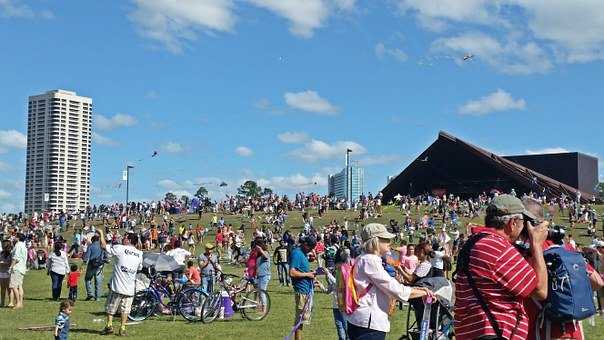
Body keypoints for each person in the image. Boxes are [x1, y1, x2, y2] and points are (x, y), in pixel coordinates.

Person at [454, 194, 548, 340]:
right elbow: (540, 290)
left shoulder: (474, 243)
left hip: (472, 331)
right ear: (512, 223)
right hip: (495, 332)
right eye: (523, 221)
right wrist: (536, 245)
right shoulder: (498, 247)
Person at [347, 223, 434, 340]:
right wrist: (424, 292)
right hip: (368, 322)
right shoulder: (370, 260)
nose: (389, 242)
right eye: (386, 239)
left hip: (361, 319)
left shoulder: (363, 258)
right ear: (376, 241)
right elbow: (396, 290)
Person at [98, 230, 143, 336]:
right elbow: (139, 267)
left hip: (117, 285)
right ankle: (122, 328)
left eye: (125, 237)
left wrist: (101, 233)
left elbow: (104, 246)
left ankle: (109, 326)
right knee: (125, 309)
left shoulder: (120, 248)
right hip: (130, 287)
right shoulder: (140, 254)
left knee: (111, 307)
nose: (123, 238)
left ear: (129, 240)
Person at [288, 236, 317, 340]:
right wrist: (307, 275)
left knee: (303, 319)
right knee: (299, 320)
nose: (311, 250)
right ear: (305, 244)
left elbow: (302, 267)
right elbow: (292, 272)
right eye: (310, 248)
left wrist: (310, 273)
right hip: (301, 291)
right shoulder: (297, 253)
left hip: (306, 290)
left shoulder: (303, 253)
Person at [82, 234, 104, 301]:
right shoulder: (101, 246)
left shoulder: (90, 246)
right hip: (99, 264)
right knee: (98, 281)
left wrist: (84, 262)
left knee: (88, 279)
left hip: (91, 264)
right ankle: (98, 297)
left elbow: (86, 257)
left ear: (92, 240)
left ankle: (90, 294)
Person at [9, 233, 27, 309]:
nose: (14, 238)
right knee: (19, 286)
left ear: (18, 238)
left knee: (13, 286)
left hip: (17, 268)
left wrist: (11, 267)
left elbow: (16, 258)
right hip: (22, 268)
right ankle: (21, 303)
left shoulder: (18, 245)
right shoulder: (24, 246)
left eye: (15, 237)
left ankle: (18, 303)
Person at [255, 237, 271, 309]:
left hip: (265, 275)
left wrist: (260, 250)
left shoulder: (265, 252)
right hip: (259, 275)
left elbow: (266, 257)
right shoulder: (258, 256)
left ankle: (264, 309)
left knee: (262, 292)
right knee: (259, 292)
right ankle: (260, 306)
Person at [0, 240, 12, 307]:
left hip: (8, 272)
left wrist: (4, 263)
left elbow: (11, 263)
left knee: (9, 288)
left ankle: (10, 302)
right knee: (2, 288)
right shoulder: (1, 253)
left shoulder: (10, 254)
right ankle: (2, 302)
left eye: (3, 245)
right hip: (1, 272)